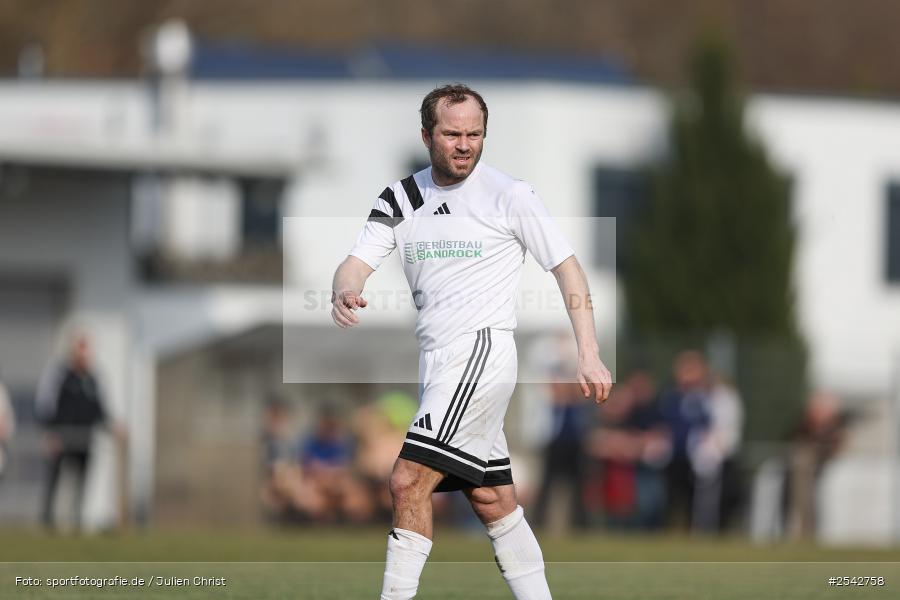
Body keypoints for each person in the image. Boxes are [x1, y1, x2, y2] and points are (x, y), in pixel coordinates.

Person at [331, 84, 612, 600]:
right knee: (492, 500)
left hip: (480, 353)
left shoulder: (510, 195)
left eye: (475, 134)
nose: (464, 144)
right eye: (452, 133)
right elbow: (356, 261)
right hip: (437, 363)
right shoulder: (402, 197)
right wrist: (346, 288)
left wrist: (588, 352)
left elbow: (568, 270)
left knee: (406, 480)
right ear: (426, 135)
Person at [36, 334, 124, 530]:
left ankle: (77, 521)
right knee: (56, 479)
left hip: (85, 438)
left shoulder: (93, 379)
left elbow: (100, 408)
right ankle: (48, 522)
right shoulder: (59, 374)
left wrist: (112, 425)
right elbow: (45, 404)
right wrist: (50, 432)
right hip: (62, 436)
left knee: (82, 481)